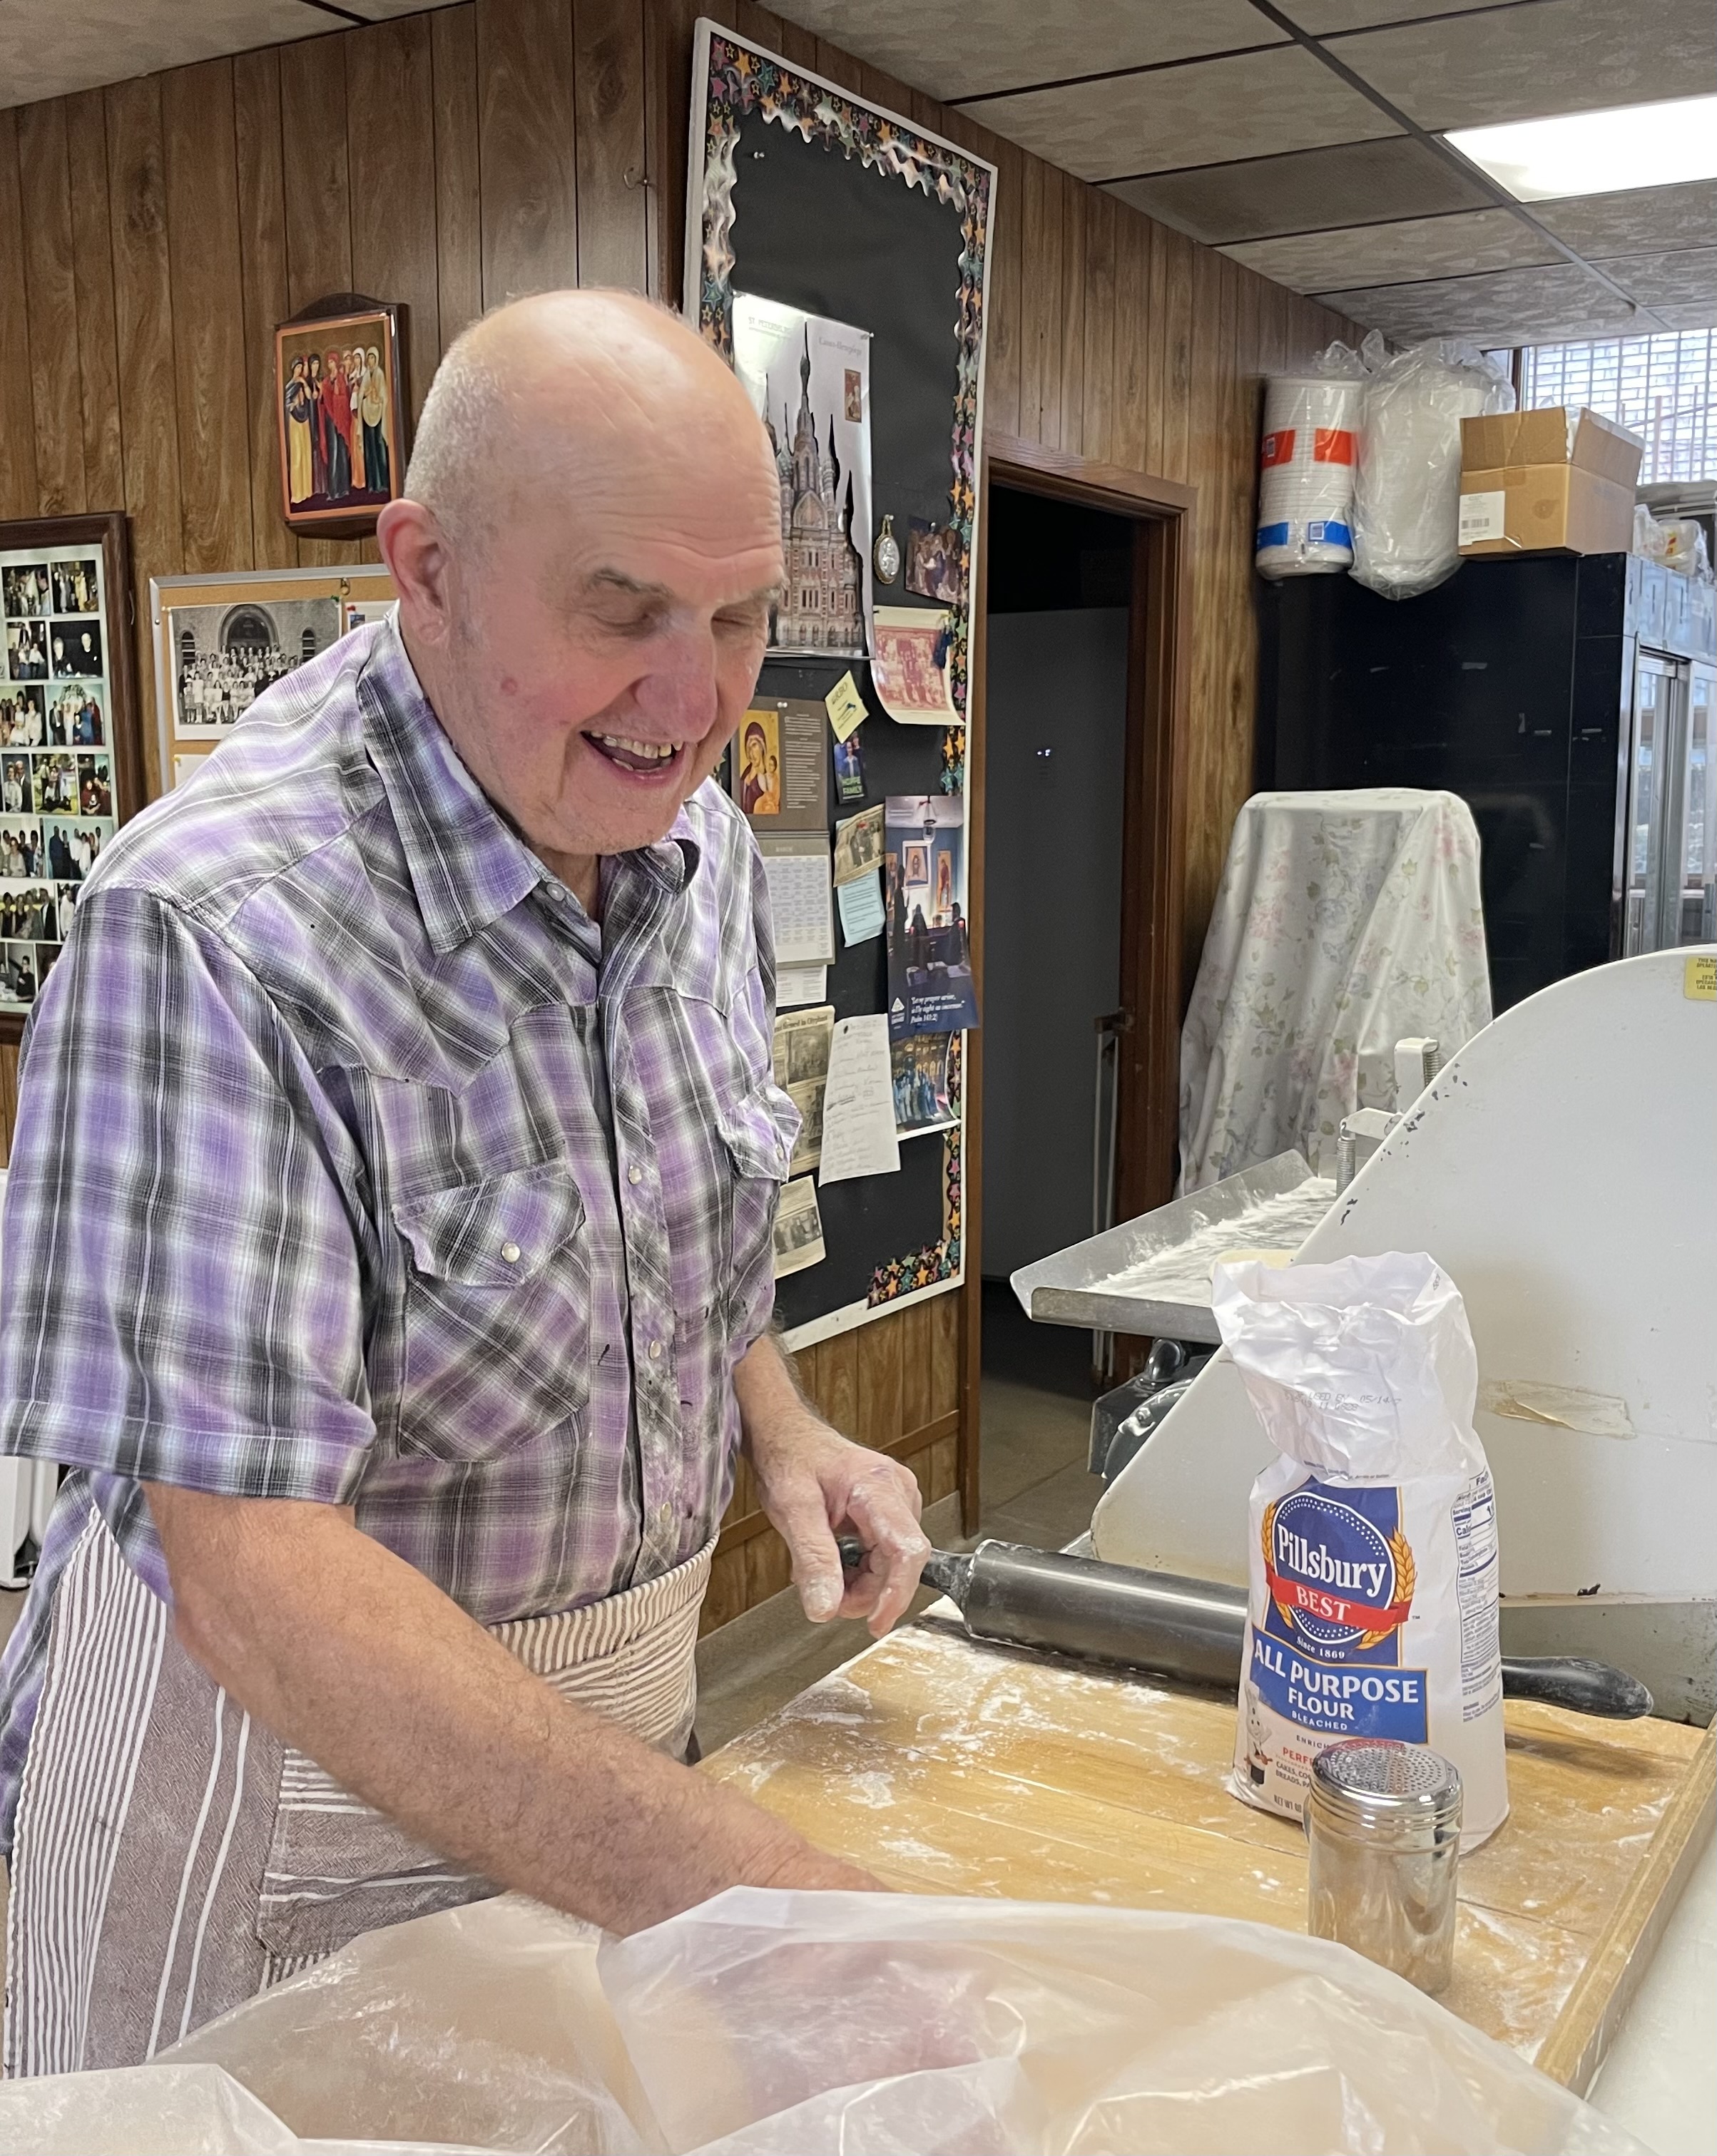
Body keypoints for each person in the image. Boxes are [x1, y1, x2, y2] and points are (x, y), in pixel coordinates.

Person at [0, 290, 931, 2078]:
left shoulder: (692, 843)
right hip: (272, 1801)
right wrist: (736, 1886)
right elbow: (252, 1573)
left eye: (738, 615)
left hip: (596, 1764)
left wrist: (782, 1427)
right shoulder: (213, 931)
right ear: (422, 566)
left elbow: (668, 1214)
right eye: (622, 609)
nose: (691, 694)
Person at [284, 354, 315, 506]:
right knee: (297, 456)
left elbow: (310, 397)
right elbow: (287, 406)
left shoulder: (301, 383)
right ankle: (297, 493)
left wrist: (303, 382)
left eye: (301, 368)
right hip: (294, 422)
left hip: (305, 420)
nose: (299, 370)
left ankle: (307, 491)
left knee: (306, 453)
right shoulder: (289, 387)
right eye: (298, 367)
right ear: (293, 369)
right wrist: (295, 404)